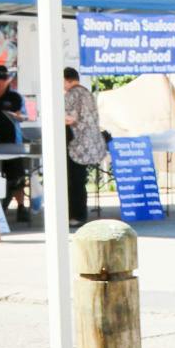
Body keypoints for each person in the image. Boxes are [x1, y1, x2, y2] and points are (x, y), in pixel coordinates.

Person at [62, 67, 106, 228]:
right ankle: (79, 214)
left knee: (74, 181)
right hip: (90, 143)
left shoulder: (72, 94)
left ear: (66, 80)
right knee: (79, 181)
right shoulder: (87, 93)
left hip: (76, 144)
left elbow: (69, 118)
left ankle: (76, 215)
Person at [0, 65, 29, 222]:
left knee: (17, 176)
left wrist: (19, 116)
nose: (0, 83)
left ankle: (21, 207)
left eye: (3, 80)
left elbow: (25, 116)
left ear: (7, 80)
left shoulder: (15, 97)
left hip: (12, 141)